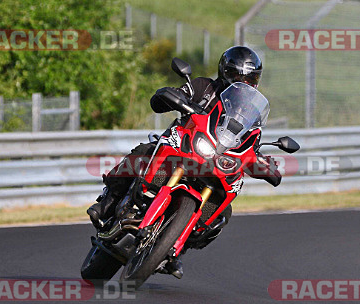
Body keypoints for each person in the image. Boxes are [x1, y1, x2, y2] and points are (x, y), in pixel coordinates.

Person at [86, 46, 282, 277]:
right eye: (237, 75)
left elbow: (251, 141)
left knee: (222, 213)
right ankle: (108, 203)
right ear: (224, 71)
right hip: (183, 146)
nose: (243, 82)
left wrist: (264, 162)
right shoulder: (204, 87)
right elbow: (169, 96)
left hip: (217, 163)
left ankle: (174, 249)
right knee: (144, 150)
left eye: (249, 78)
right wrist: (171, 96)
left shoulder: (252, 112)